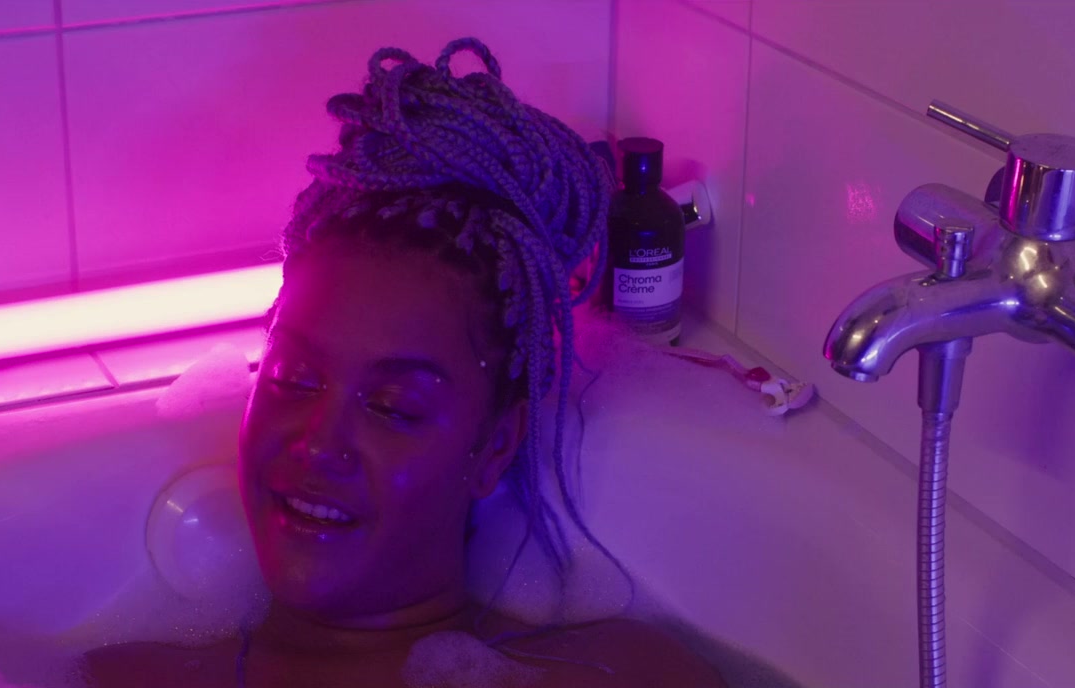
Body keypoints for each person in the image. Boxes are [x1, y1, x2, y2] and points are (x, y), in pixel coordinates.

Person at [85, 38, 725, 688]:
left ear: (497, 445)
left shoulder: (627, 674)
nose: (318, 443)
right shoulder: (108, 678)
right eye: (292, 379)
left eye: (393, 407)